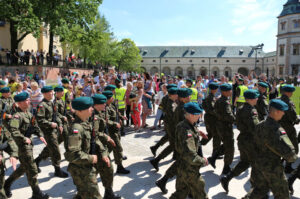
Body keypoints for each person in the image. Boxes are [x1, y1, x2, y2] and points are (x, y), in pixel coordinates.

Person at [242, 99, 297, 199]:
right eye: (282, 111)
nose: (284, 113)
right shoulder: (277, 130)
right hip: (273, 168)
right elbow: (291, 155)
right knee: (282, 195)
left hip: (258, 165)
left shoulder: (259, 125)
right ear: (276, 112)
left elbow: (254, 144)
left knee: (259, 191)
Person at [4, 92, 49, 199]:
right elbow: (13, 131)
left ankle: (7, 183)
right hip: (22, 146)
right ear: (20, 103)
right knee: (32, 169)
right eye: (26, 100)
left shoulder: (28, 113)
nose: (29, 101)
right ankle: (36, 193)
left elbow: (34, 125)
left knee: (24, 168)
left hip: (29, 145)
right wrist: (24, 138)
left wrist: (40, 135)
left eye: (28, 99)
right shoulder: (17, 116)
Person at [220, 89, 260, 193]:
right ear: (251, 99)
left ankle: (226, 178)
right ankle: (255, 190)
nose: (257, 99)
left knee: (245, 162)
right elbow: (255, 127)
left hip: (242, 139)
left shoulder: (240, 108)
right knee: (256, 163)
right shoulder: (252, 110)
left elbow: (238, 123)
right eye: (256, 97)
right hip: (250, 141)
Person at [64, 97, 102, 199]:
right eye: (89, 107)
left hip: (85, 166)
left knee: (83, 194)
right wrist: (91, 158)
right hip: (81, 170)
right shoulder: (77, 128)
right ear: (80, 111)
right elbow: (73, 154)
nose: (92, 109)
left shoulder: (85, 123)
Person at [169, 102, 209, 199]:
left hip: (182, 166)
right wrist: (203, 160)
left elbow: (189, 131)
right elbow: (190, 155)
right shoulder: (187, 131)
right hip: (190, 169)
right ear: (191, 115)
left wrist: (198, 132)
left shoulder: (184, 124)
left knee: (181, 192)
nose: (200, 116)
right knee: (201, 194)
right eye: (198, 114)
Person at [34, 86, 68, 178]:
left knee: (50, 147)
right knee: (56, 150)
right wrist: (50, 124)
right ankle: (57, 170)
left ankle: (37, 160)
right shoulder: (42, 105)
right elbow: (39, 120)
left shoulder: (51, 103)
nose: (52, 94)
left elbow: (55, 115)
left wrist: (60, 124)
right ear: (44, 94)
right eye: (50, 92)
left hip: (54, 129)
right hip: (47, 130)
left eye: (52, 92)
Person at [92, 94, 121, 199]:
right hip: (96, 148)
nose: (105, 105)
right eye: (102, 103)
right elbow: (95, 133)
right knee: (99, 171)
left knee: (105, 170)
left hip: (100, 146)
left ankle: (108, 193)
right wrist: (106, 137)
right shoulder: (93, 116)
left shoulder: (100, 112)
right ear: (96, 104)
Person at [102, 90, 130, 174]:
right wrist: (115, 123)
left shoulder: (111, 105)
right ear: (107, 99)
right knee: (117, 148)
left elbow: (116, 113)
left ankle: (101, 161)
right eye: (111, 97)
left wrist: (121, 117)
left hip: (115, 130)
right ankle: (119, 167)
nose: (113, 98)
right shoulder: (105, 107)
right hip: (111, 131)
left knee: (110, 148)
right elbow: (105, 120)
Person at [212, 83, 235, 175]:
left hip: (220, 125)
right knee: (230, 147)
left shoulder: (219, 100)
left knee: (226, 144)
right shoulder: (225, 102)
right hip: (225, 127)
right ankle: (226, 167)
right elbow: (229, 115)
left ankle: (213, 158)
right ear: (225, 92)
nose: (231, 92)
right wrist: (237, 120)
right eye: (230, 90)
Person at [279, 85, 300, 173]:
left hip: (278, 126)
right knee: (293, 147)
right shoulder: (288, 102)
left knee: (281, 145)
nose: (292, 94)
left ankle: (281, 162)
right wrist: (297, 120)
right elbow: (292, 116)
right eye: (291, 92)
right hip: (288, 127)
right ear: (288, 92)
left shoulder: (277, 100)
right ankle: (288, 166)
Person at [201, 82, 221, 159]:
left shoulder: (210, 97)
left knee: (210, 134)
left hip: (209, 118)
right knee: (216, 136)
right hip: (212, 119)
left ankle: (198, 145)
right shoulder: (210, 98)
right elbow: (212, 110)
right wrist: (220, 115)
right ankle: (215, 154)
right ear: (215, 89)